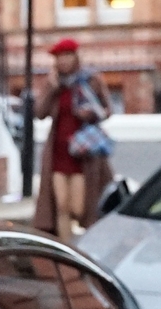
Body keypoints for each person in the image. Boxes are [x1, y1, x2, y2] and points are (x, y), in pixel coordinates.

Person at [33, 38, 115, 241]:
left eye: (67, 56)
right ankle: (67, 251)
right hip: (58, 153)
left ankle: (84, 244)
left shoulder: (91, 80)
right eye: (59, 57)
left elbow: (107, 111)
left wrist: (90, 114)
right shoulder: (53, 83)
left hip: (83, 152)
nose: (63, 61)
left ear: (75, 57)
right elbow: (40, 113)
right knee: (61, 206)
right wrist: (52, 90)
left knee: (79, 208)